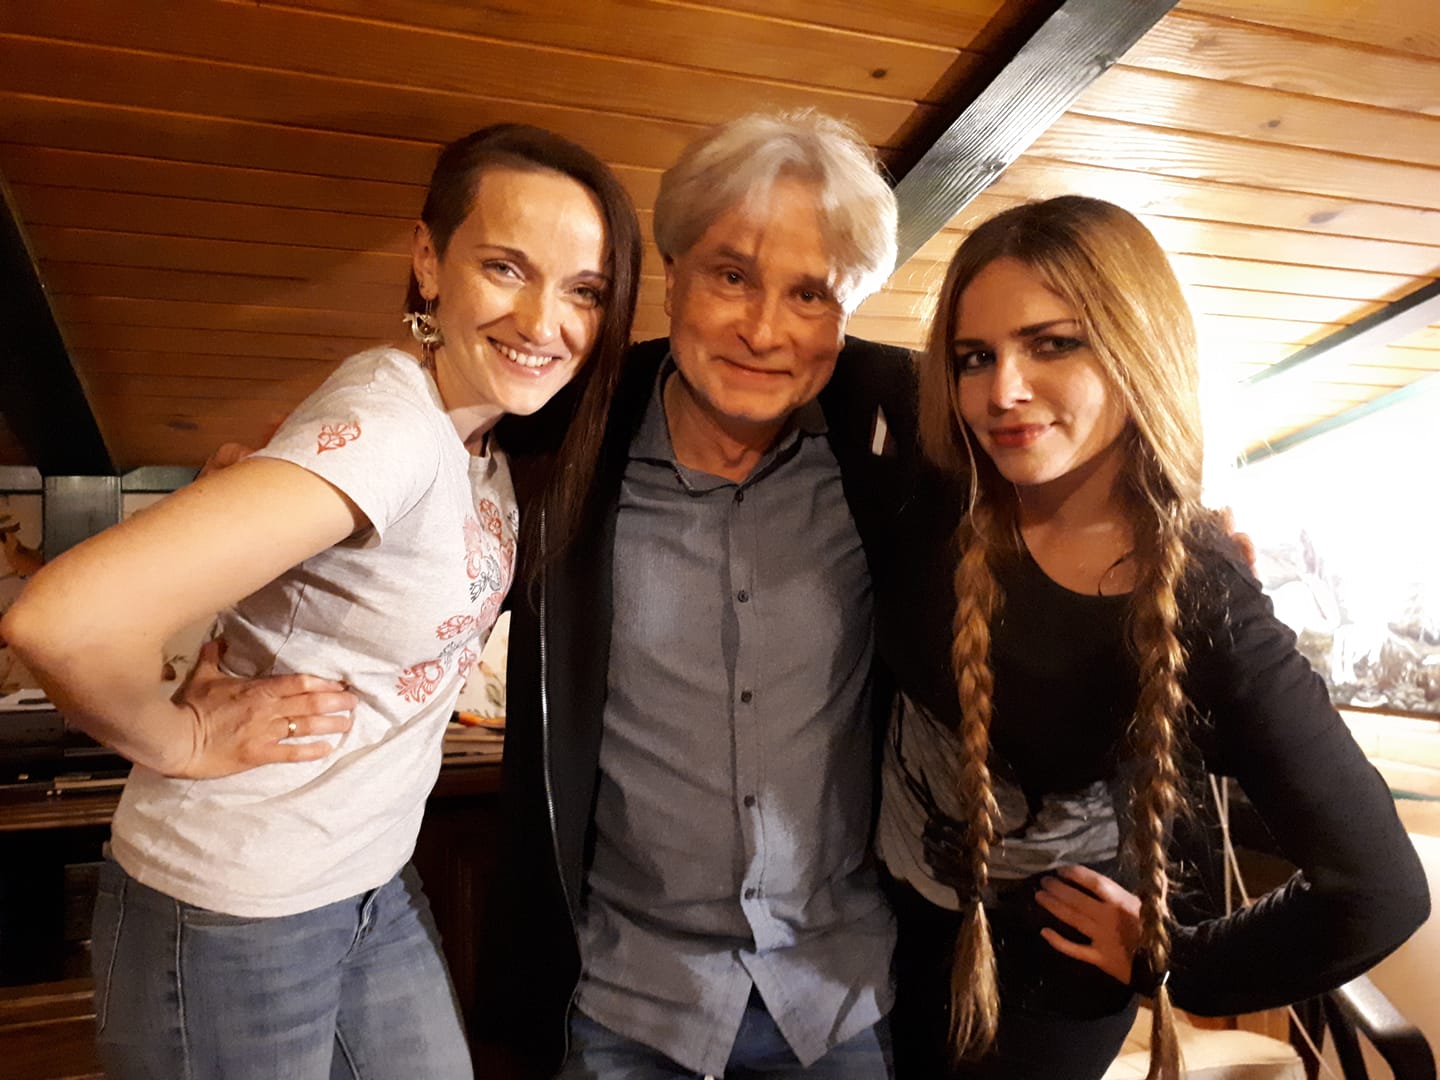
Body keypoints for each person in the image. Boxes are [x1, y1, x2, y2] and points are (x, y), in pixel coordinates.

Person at [1, 123, 641, 1079]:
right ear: (428, 261)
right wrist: (179, 740)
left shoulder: (482, 442)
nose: (545, 322)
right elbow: (61, 621)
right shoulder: (391, 430)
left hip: (370, 884)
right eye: (506, 268)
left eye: (584, 290)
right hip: (232, 907)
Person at [873, 195, 1430, 1079]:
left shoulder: (1204, 596)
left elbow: (1378, 890)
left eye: (1054, 343)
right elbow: (774, 351)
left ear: (1137, 346)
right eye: (975, 356)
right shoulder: (928, 475)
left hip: (1042, 987)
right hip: (871, 926)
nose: (1002, 390)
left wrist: (1180, 961)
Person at [485, 110, 918, 1079]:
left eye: (810, 293)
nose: (763, 330)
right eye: (731, 275)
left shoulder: (895, 454)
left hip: (840, 1001)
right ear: (672, 270)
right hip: (628, 1003)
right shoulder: (559, 443)